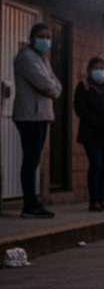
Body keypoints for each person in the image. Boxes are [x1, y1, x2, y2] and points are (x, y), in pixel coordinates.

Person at [12, 23, 62, 218]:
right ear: (33, 37)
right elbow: (45, 83)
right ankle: (29, 205)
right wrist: (53, 89)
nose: (46, 41)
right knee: (30, 160)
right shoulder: (25, 57)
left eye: (48, 37)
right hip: (29, 116)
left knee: (34, 161)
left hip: (41, 115)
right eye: (42, 36)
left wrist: (53, 88)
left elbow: (55, 83)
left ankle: (33, 202)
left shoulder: (43, 59)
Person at [74, 57, 104, 212]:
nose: (99, 71)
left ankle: (102, 199)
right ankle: (93, 200)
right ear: (89, 70)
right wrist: (94, 120)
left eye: (102, 68)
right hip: (91, 133)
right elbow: (80, 108)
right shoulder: (85, 86)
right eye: (96, 68)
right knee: (96, 164)